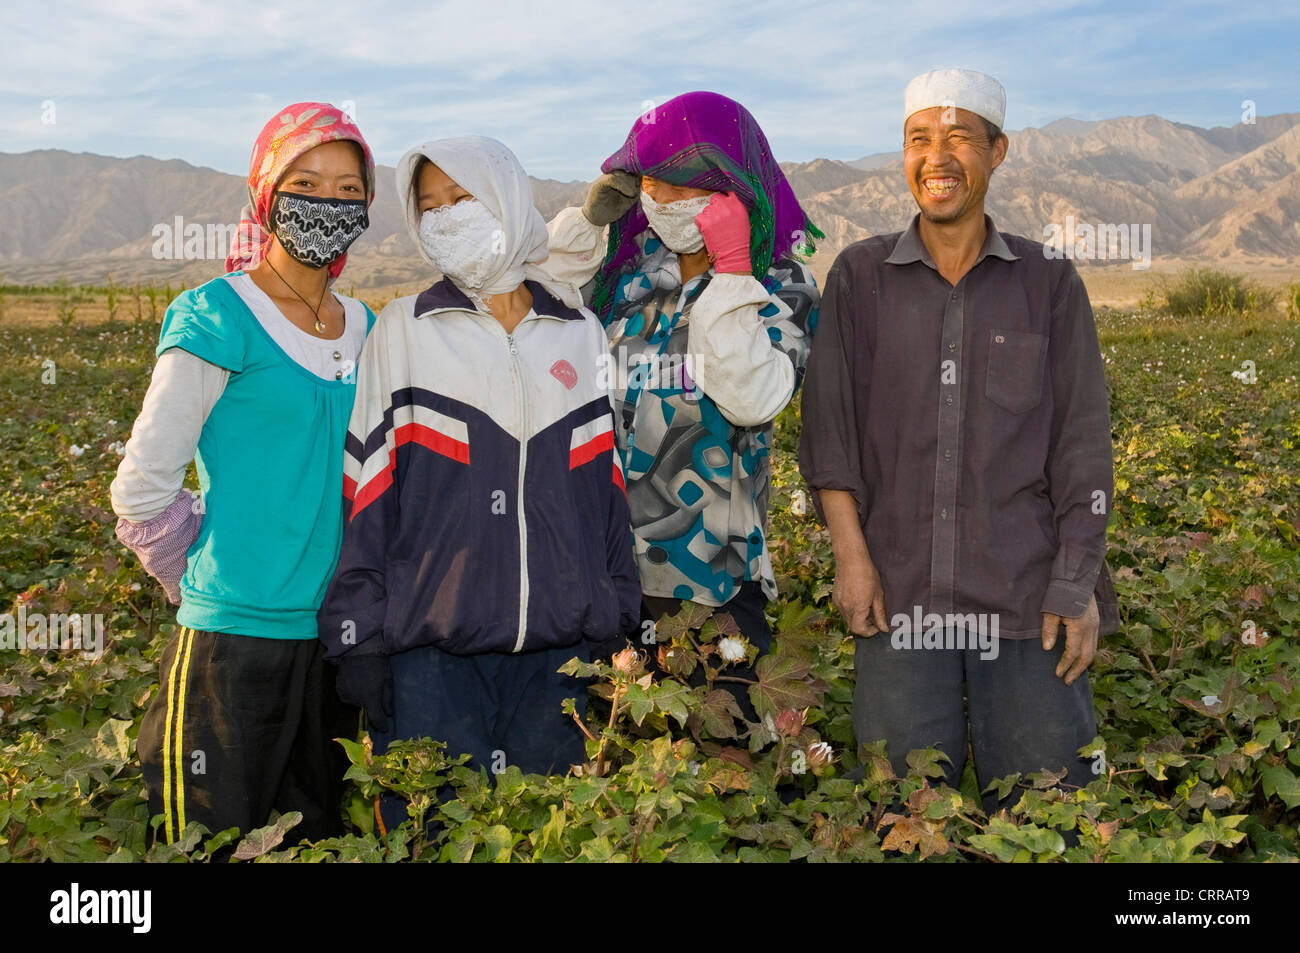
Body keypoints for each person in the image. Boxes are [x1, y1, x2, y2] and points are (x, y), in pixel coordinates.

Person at [798, 69, 1117, 812]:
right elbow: (830, 432)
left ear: (998, 152)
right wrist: (851, 558)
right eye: (919, 140)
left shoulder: (1048, 281)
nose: (936, 158)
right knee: (902, 818)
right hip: (897, 600)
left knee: (1048, 815)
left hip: (1027, 605)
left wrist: (1075, 585)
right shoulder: (860, 277)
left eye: (959, 139)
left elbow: (1082, 446)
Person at [318, 136, 639, 820]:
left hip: (561, 660)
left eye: (459, 199)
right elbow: (367, 495)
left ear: (505, 198)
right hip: (432, 659)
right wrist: (360, 637)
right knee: (434, 837)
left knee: (553, 835)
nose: (443, 219)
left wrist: (619, 615)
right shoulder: (405, 329)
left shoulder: (578, 332)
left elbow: (606, 494)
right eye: (427, 207)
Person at [111, 102, 378, 845]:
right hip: (231, 648)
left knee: (318, 837)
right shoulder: (216, 316)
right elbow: (141, 489)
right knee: (211, 841)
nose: (327, 202)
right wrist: (196, 572)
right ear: (266, 191)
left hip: (334, 644)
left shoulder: (367, 327)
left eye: (348, 189)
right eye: (306, 181)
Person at [542, 91, 821, 724]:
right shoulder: (633, 275)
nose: (662, 203)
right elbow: (537, 301)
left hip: (710, 584)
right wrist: (591, 223)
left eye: (683, 186)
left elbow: (751, 396)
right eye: (651, 185)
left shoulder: (782, 286)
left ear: (732, 189)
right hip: (608, 571)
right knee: (621, 773)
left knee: (715, 764)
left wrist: (731, 267)